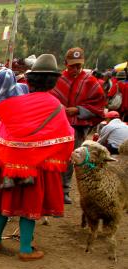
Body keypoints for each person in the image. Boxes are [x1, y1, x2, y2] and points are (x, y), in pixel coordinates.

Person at [0, 55, 75, 261]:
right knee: (29, 206)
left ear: (29, 80)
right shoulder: (54, 106)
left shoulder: (14, 102)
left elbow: (4, 130)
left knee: (3, 203)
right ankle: (26, 249)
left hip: (6, 162)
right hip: (33, 167)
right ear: (54, 81)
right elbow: (65, 138)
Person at [50, 47, 107, 204]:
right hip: (58, 126)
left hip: (78, 127)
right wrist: (58, 108)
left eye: (78, 66)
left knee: (71, 157)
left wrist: (78, 110)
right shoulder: (58, 80)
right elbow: (49, 99)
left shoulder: (90, 81)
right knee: (54, 156)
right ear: (65, 63)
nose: (75, 69)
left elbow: (98, 105)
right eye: (72, 65)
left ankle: (64, 189)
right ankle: (51, 189)